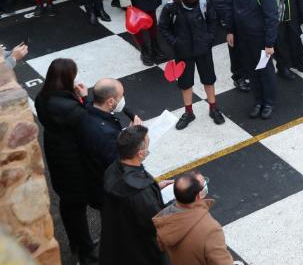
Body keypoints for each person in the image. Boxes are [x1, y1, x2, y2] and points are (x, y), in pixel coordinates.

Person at [36, 59, 98, 264]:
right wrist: (86, 99)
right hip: (74, 164)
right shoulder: (69, 108)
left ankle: (78, 245)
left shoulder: (42, 97)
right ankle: (86, 253)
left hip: (57, 158)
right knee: (77, 206)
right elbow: (89, 123)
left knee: (69, 205)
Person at [158, 0, 225, 129]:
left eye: (195, 0)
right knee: (185, 83)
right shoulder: (171, 8)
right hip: (183, 52)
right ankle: (188, 112)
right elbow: (163, 27)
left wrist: (210, 37)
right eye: (190, 1)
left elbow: (213, 20)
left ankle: (213, 108)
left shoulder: (202, 1)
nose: (193, 3)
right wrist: (175, 42)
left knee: (209, 79)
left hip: (203, 48)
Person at [100, 125, 167, 265]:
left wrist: (154, 189)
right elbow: (156, 224)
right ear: (140, 154)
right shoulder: (141, 192)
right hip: (143, 252)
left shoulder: (111, 170)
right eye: (147, 145)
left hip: (117, 243)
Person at [226, 0, 279, 119]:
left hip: (260, 40)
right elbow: (231, 7)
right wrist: (230, 30)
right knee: (251, 71)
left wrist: (269, 43)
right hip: (243, 37)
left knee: (265, 71)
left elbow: (271, 19)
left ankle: (268, 102)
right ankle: (258, 101)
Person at [153, 171, 234, 265]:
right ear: (199, 195)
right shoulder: (211, 229)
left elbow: (161, 247)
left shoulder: (163, 217)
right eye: (204, 184)